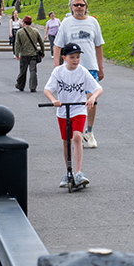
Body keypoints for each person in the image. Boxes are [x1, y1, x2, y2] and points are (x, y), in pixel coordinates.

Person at [43, 43, 102, 188]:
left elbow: (98, 88)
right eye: (72, 57)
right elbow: (47, 89)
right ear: (64, 58)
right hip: (63, 111)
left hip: (79, 109)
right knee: (66, 141)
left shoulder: (82, 71)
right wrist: (54, 100)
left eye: (78, 57)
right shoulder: (58, 72)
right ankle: (68, 171)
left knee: (77, 137)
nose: (75, 60)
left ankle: (78, 172)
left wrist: (92, 98)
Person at [52, 0, 105, 149]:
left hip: (90, 66)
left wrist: (100, 67)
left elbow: (98, 46)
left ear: (86, 6)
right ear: (71, 7)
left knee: (91, 100)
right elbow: (58, 45)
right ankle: (77, 132)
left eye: (82, 4)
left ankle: (89, 131)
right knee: (74, 100)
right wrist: (57, 67)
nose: (79, 7)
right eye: (76, 5)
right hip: (71, 69)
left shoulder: (93, 22)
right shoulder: (66, 23)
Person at [14, 15, 46, 92]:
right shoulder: (35, 31)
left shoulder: (19, 32)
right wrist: (43, 52)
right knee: (33, 71)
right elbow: (41, 42)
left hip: (24, 54)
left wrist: (17, 54)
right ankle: (33, 87)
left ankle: (20, 85)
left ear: (24, 23)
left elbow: (17, 43)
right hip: (33, 54)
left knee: (22, 71)